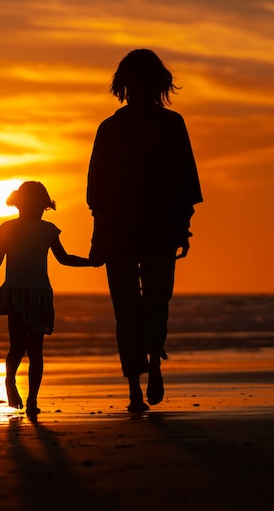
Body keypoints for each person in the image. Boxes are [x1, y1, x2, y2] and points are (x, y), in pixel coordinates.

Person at [87, 49, 203, 413]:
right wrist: (100, 237)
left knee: (145, 305)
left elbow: (185, 180)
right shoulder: (116, 128)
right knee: (140, 307)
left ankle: (148, 373)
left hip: (152, 229)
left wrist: (182, 228)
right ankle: (140, 382)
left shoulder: (166, 125)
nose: (135, 88)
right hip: (136, 231)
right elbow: (98, 192)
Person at [0, 181, 99, 418]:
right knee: (25, 349)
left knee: (27, 349)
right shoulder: (16, 229)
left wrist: (90, 262)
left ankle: (29, 396)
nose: (39, 210)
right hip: (24, 294)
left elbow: (63, 258)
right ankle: (18, 388)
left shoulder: (45, 230)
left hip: (31, 293)